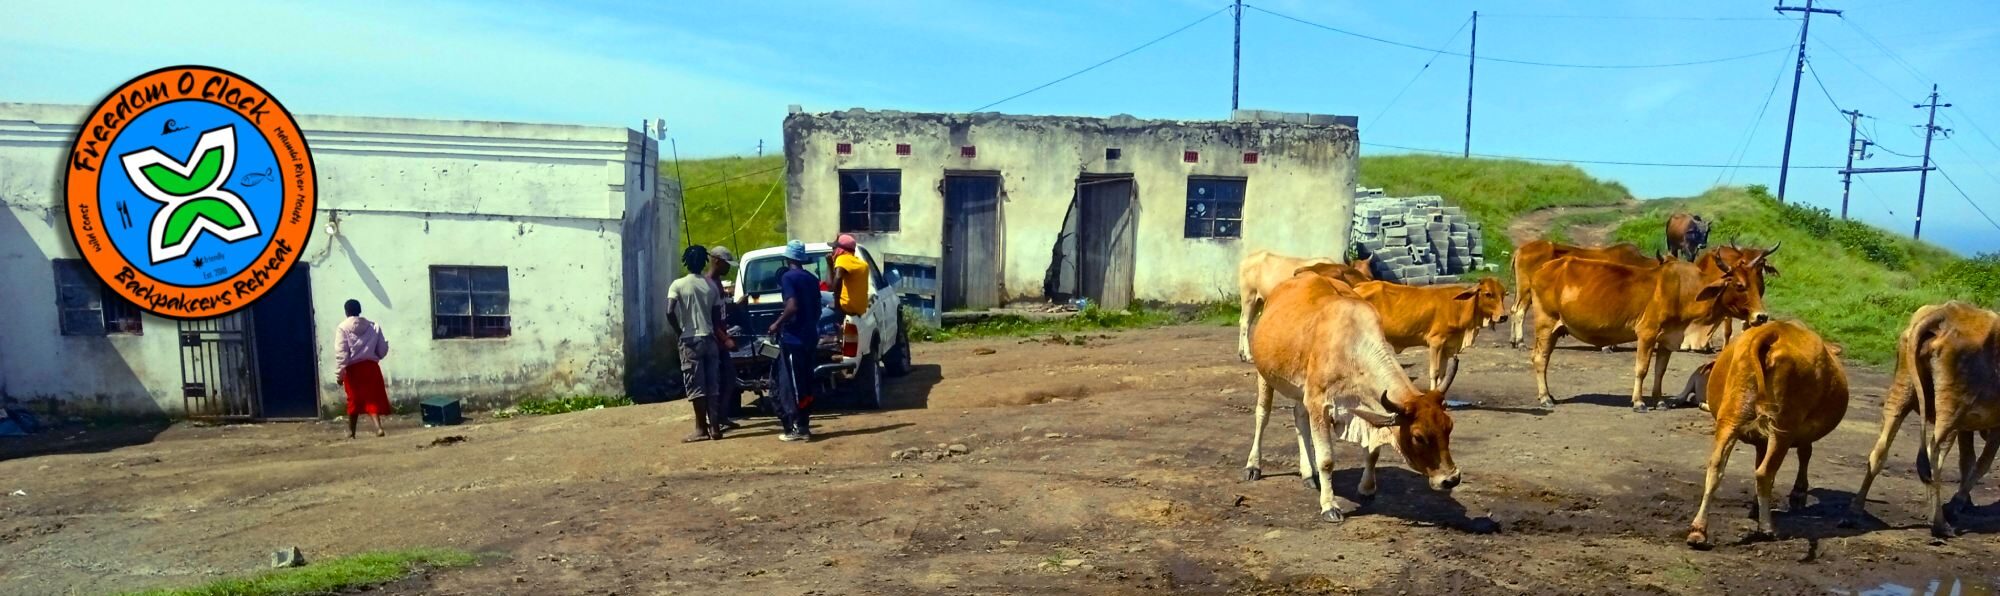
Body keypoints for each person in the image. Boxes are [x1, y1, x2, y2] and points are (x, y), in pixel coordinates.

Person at [668, 245, 729, 442]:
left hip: (690, 340)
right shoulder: (711, 286)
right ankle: (716, 428)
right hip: (710, 339)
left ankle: (700, 429)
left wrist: (679, 332)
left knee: (696, 386)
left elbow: (669, 312)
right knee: (713, 385)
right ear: (704, 261)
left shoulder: (677, 284)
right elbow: (715, 316)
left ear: (686, 262)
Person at [768, 240, 824, 442]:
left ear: (788, 258)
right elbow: (818, 308)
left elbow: (792, 306)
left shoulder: (788, 278)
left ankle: (799, 428)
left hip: (794, 339)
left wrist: (777, 323)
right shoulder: (811, 278)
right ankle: (804, 425)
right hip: (810, 336)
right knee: (806, 381)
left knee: (791, 384)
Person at [334, 299, 391, 438]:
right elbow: (382, 350)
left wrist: (340, 375)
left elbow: (341, 354)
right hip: (371, 367)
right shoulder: (374, 326)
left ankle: (351, 432)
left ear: (346, 311)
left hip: (353, 370)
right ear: (360, 310)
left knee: (354, 400)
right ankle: (378, 428)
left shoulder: (342, 328)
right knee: (372, 398)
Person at [705, 246, 741, 429]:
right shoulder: (708, 283)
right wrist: (724, 338)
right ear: (717, 261)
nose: (729, 268)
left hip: (722, 337)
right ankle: (716, 419)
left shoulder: (718, 282)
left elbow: (722, 311)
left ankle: (722, 416)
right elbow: (711, 318)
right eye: (727, 264)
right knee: (718, 380)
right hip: (714, 340)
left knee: (729, 378)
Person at [828, 234, 871, 317]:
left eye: (834, 248)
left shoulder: (843, 258)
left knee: (817, 310)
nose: (832, 251)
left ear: (840, 249)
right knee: (821, 294)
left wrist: (836, 305)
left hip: (846, 306)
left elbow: (832, 286)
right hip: (859, 308)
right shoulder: (860, 263)